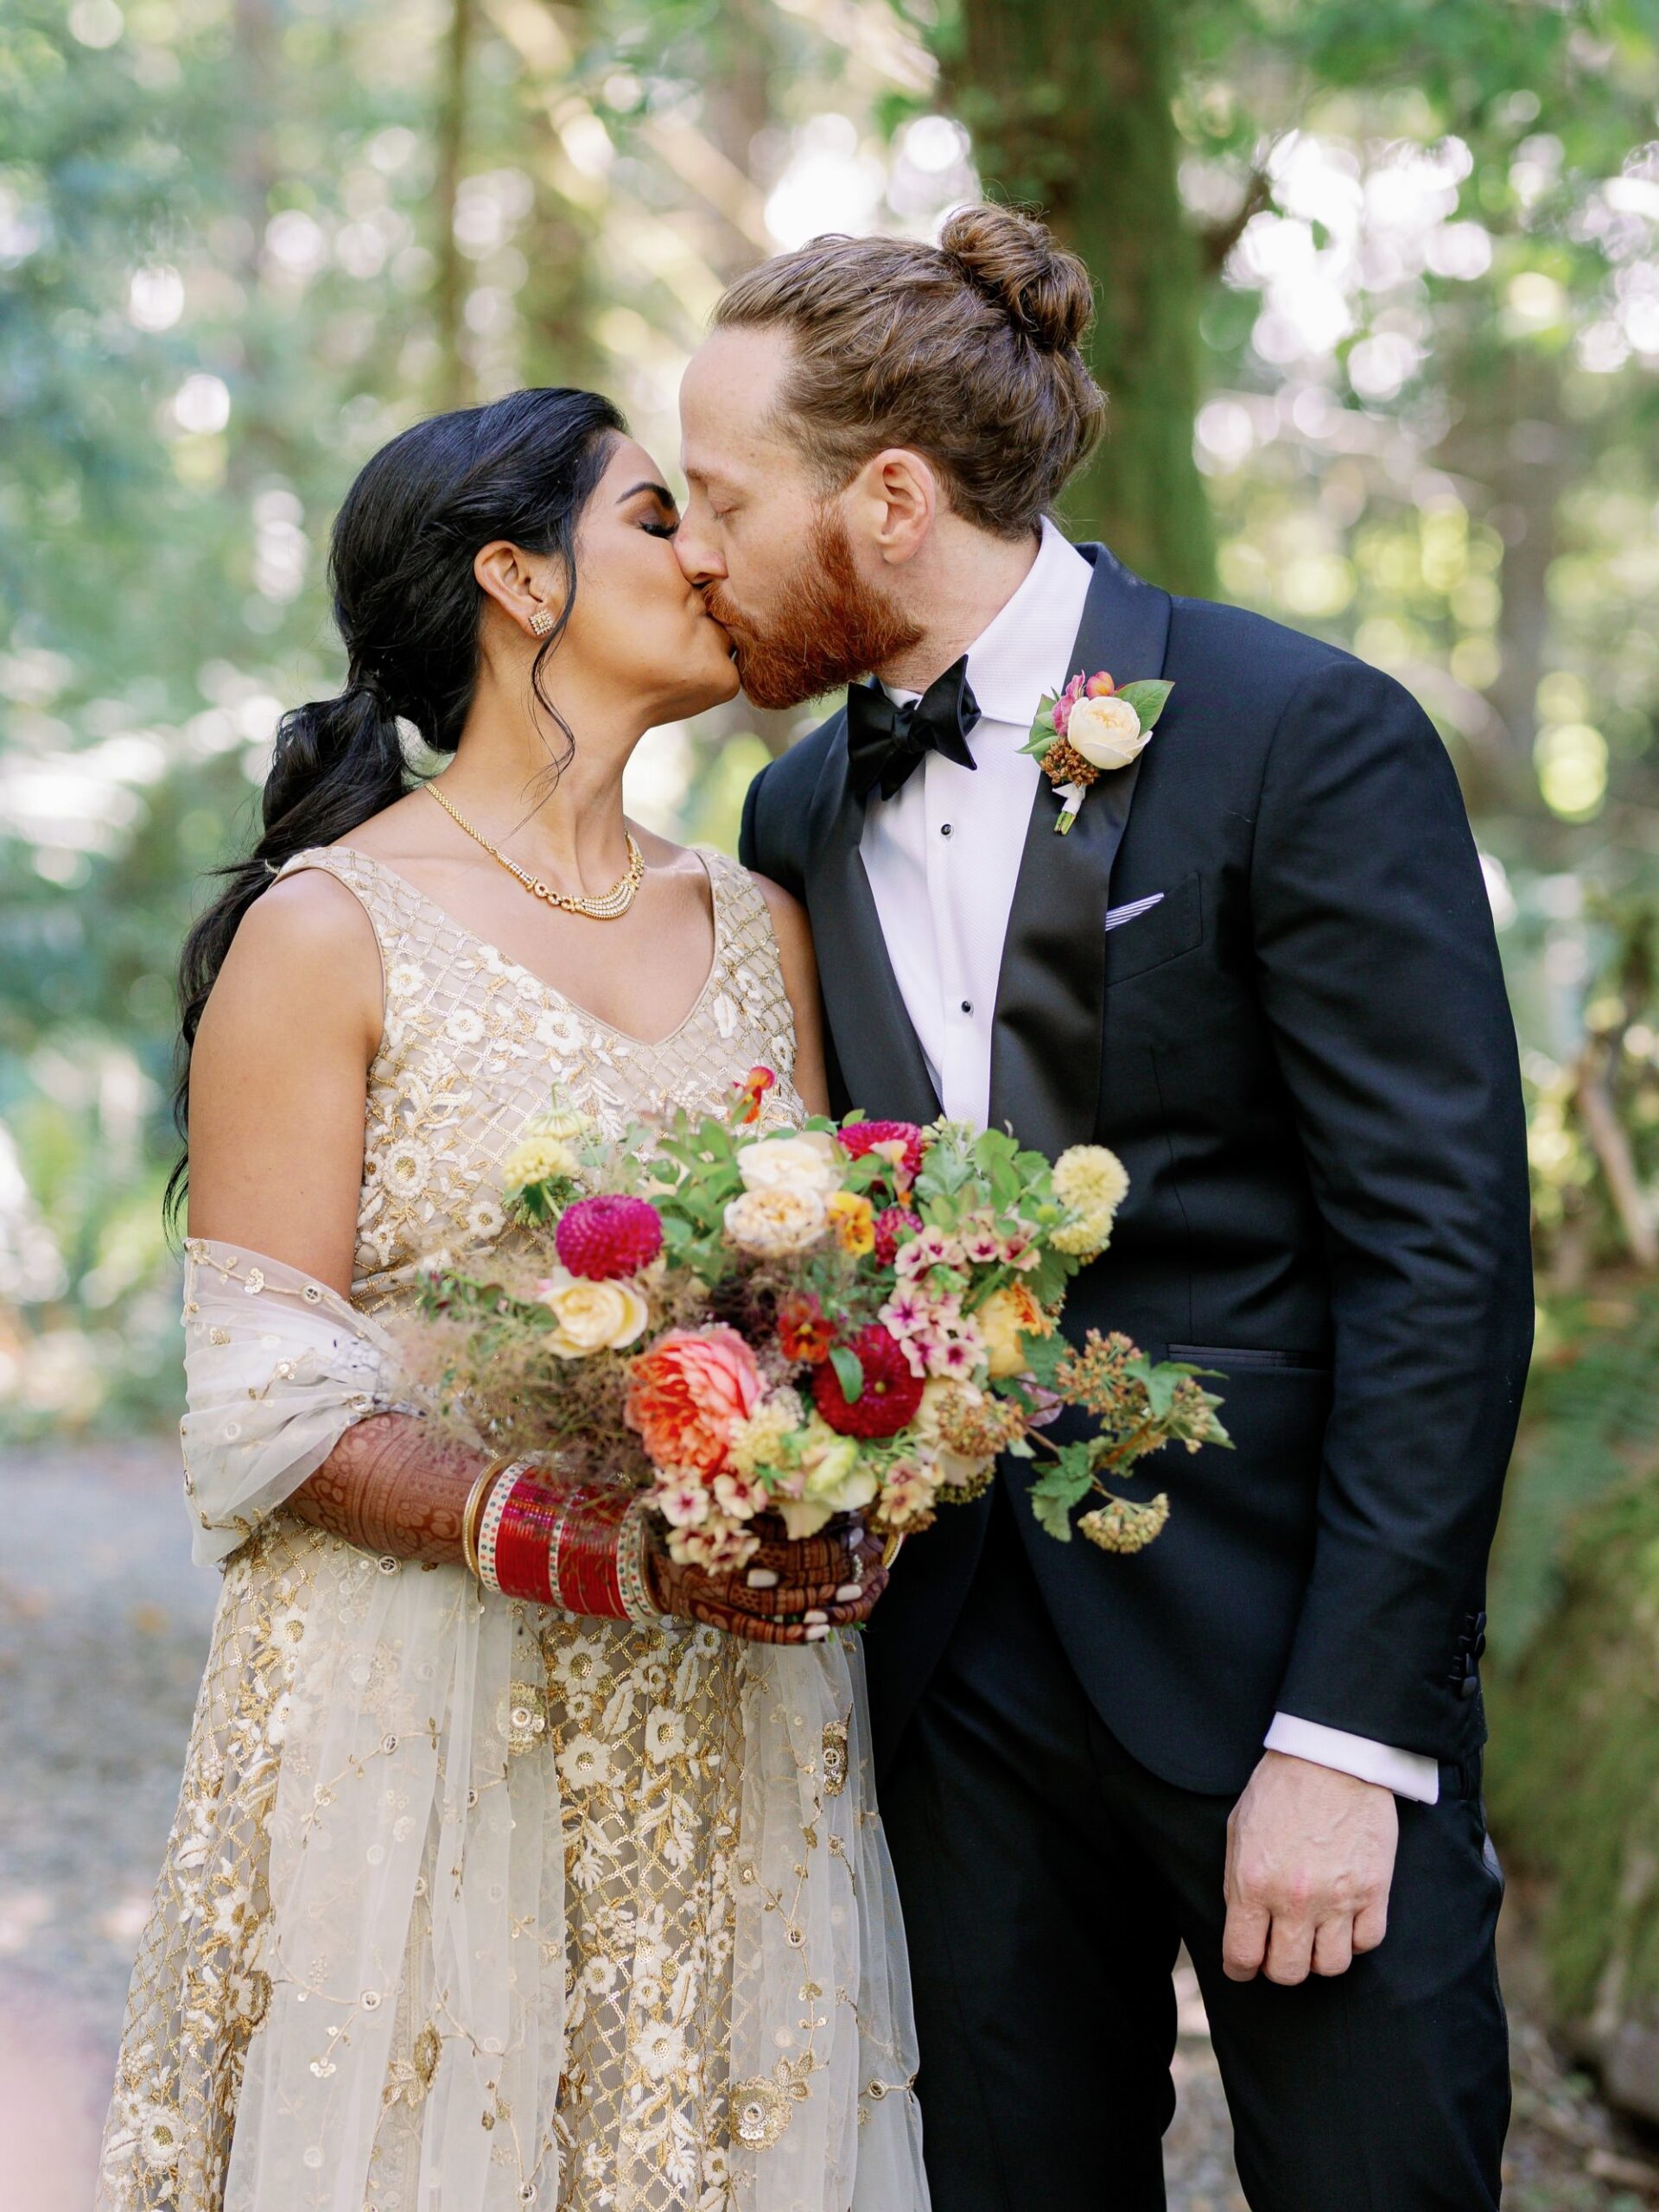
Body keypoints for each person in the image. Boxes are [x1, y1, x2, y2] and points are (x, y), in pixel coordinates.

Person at [677, 204, 1535, 2210]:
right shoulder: (794, 812)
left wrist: (1352, 1730)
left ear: (887, 499)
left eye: (721, 498)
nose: (692, 550)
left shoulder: (1298, 733)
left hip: (1282, 1664)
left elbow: (1443, 1256)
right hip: (957, 1686)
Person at [98, 388, 930, 2212]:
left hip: (730, 1722)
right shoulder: (329, 931)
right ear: (513, 577)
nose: (709, 555)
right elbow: (263, 1405)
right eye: (654, 515)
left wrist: (836, 1482)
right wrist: (605, 1548)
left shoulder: (757, 920)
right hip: (422, 1716)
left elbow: (824, 1305)